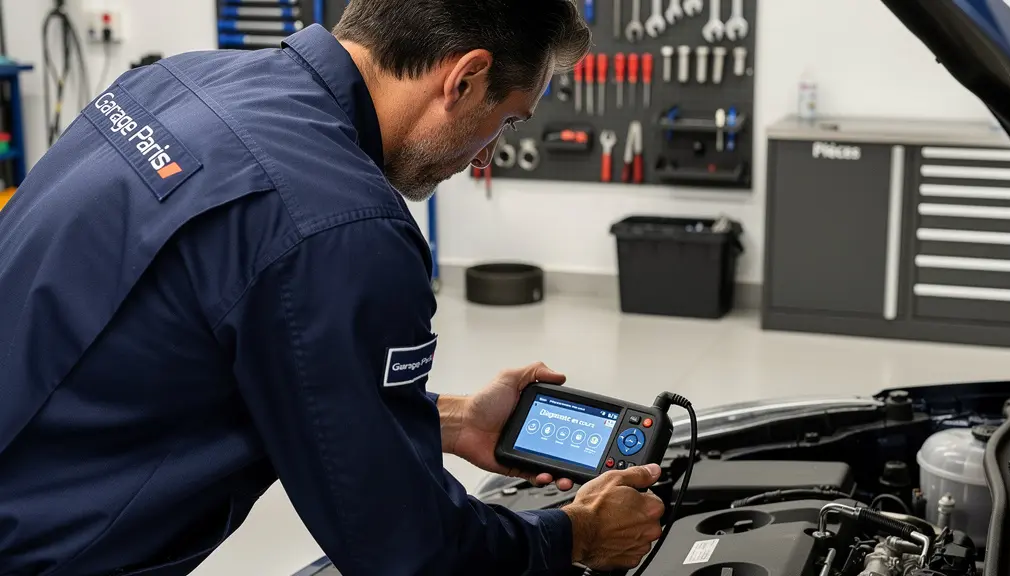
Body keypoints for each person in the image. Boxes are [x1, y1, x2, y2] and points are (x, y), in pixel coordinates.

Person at [0, 1, 667, 574]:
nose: (487, 154)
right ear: (466, 78)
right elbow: (406, 551)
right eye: (511, 120)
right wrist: (575, 536)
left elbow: (213, 355)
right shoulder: (345, 229)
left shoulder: (174, 80)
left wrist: (454, 420)